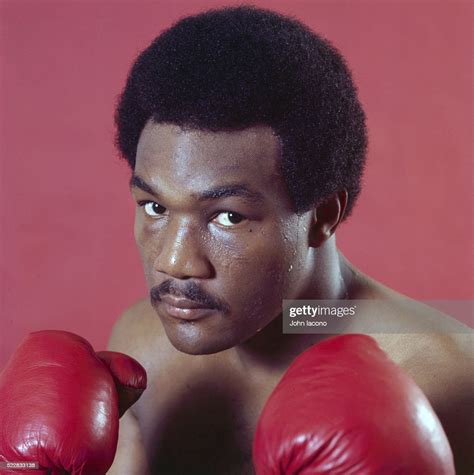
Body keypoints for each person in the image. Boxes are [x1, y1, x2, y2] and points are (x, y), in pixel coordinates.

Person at [104, 6, 472, 474]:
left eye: (228, 217)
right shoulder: (143, 348)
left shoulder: (450, 380)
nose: (175, 263)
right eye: (155, 208)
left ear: (323, 215)